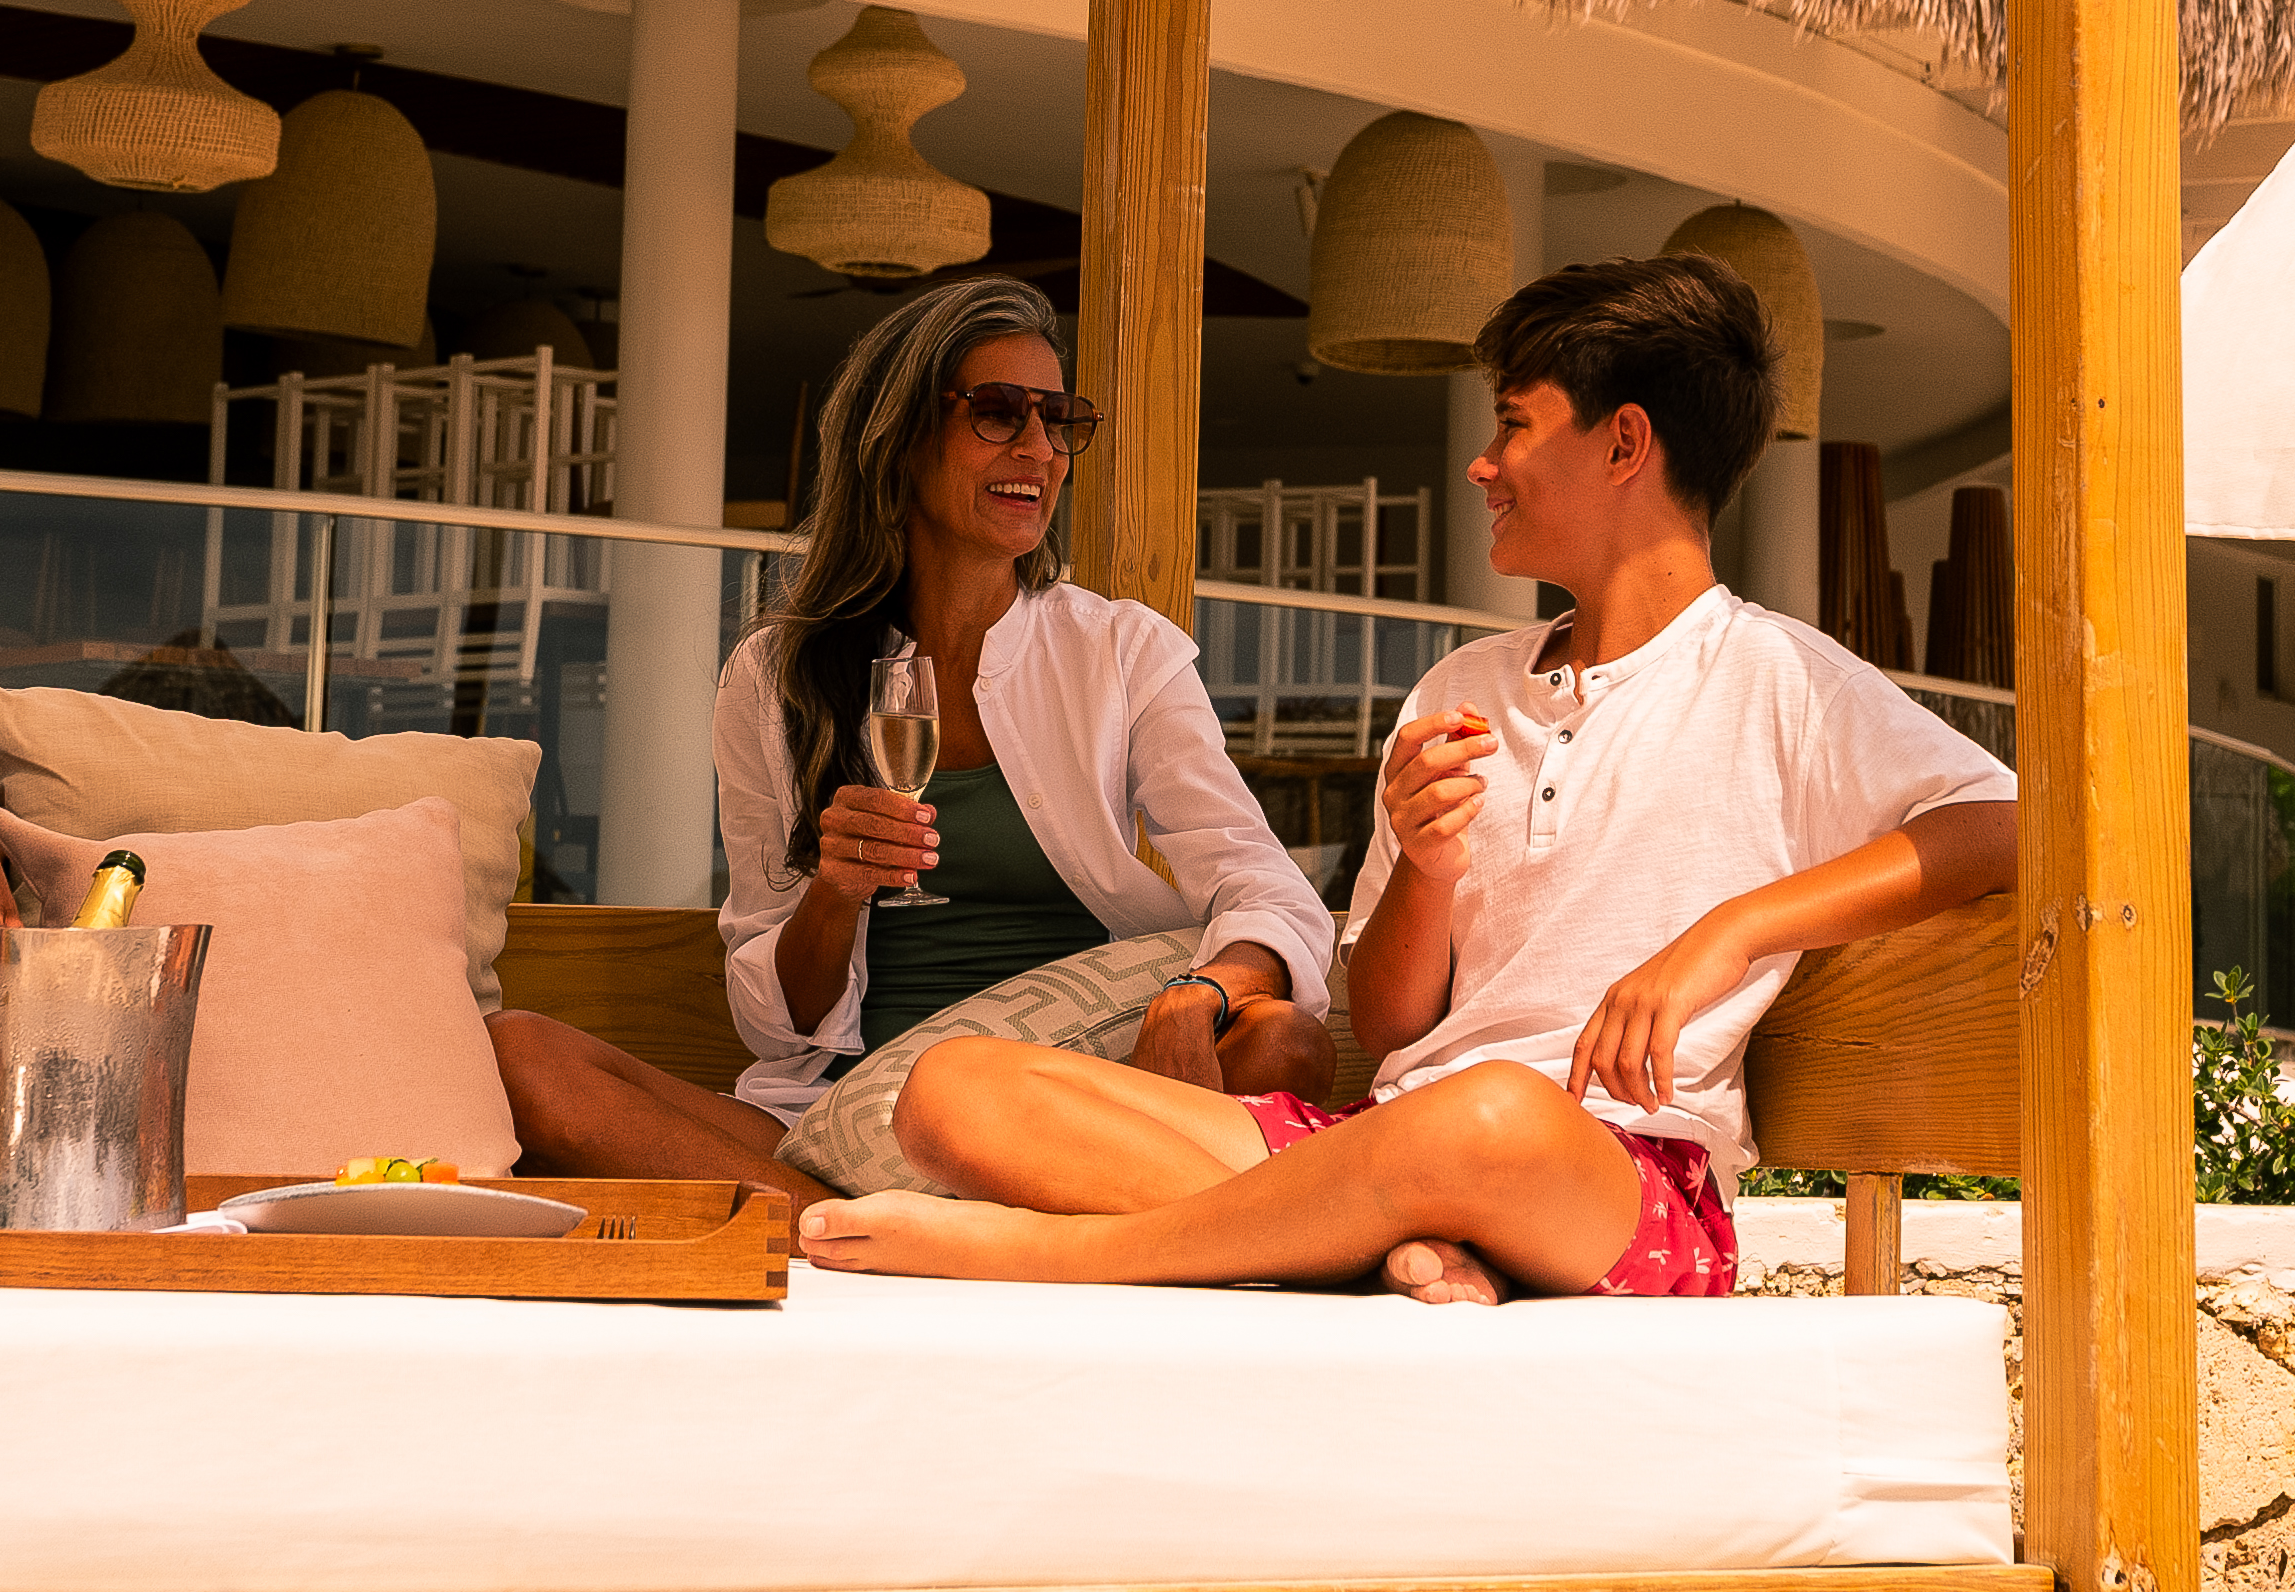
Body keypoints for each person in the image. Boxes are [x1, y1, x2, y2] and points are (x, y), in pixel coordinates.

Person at [798, 251, 2006, 1303]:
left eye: (1514, 424)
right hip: (1383, 1137)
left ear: (1624, 441)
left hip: (1612, 1172)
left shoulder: (1774, 673)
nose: (1482, 466)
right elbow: (1385, 1028)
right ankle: (1389, 1241)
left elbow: (2008, 826)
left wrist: (1726, 935)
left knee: (1490, 1115)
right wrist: (1425, 874)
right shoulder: (1457, 690)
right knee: (956, 1091)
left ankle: (1061, 1255)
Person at [490, 262, 1341, 1193]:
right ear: (898, 442)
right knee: (523, 1055)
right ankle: (856, 1211)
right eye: (998, 412)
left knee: (1280, 1041)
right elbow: (773, 1021)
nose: (1039, 447)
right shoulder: (777, 677)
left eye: (1057, 420)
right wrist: (834, 892)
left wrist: (1199, 995)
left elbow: (1266, 886)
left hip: (1057, 1100)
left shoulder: (1120, 653)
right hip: (826, 1110)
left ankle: (822, 1223)